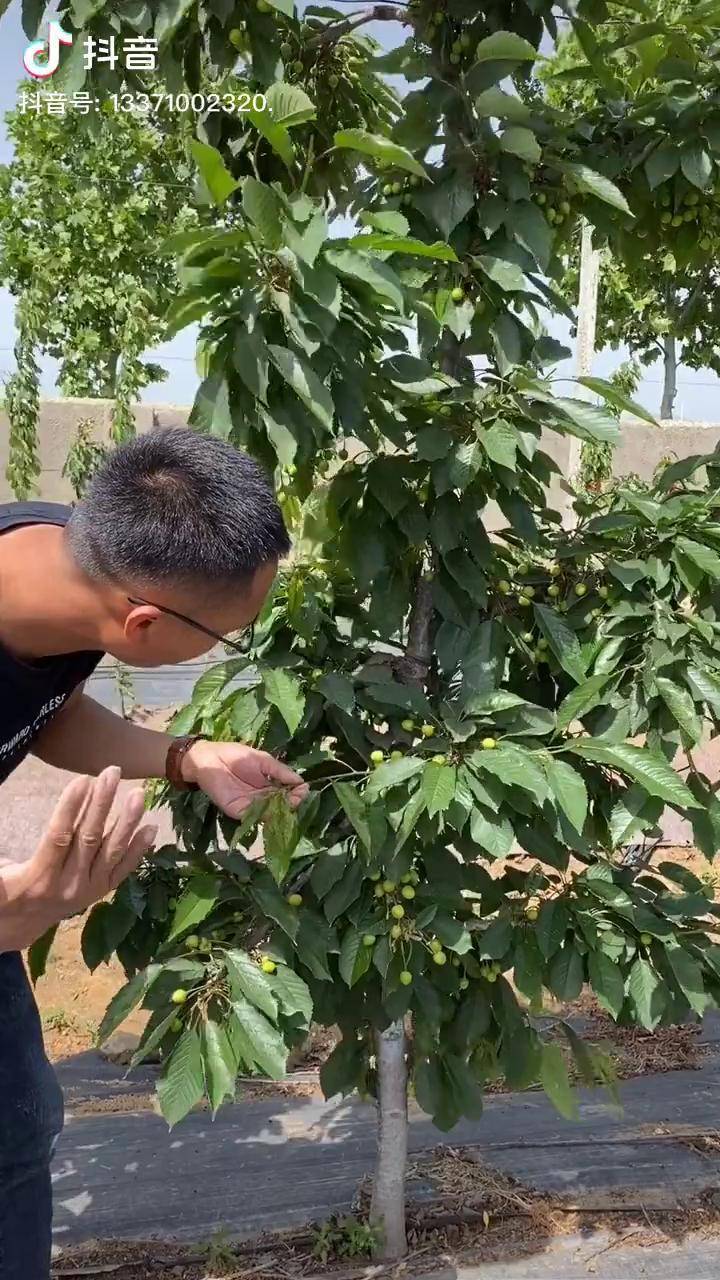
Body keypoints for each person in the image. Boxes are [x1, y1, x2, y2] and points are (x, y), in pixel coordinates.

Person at [0, 427, 307, 1279]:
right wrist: (25, 906)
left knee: (18, 1135)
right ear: (141, 622)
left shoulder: (56, 555)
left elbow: (46, 704)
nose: (224, 648)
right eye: (227, 636)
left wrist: (186, 756)